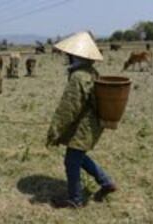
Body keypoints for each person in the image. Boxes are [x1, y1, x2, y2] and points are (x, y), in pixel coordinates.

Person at [45, 31, 117, 208]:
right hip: (91, 123)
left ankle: (75, 199)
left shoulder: (78, 76)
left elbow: (69, 108)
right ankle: (106, 183)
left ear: (75, 55)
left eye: (69, 54)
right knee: (79, 156)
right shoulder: (91, 72)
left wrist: (54, 131)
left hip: (83, 126)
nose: (67, 57)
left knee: (71, 160)